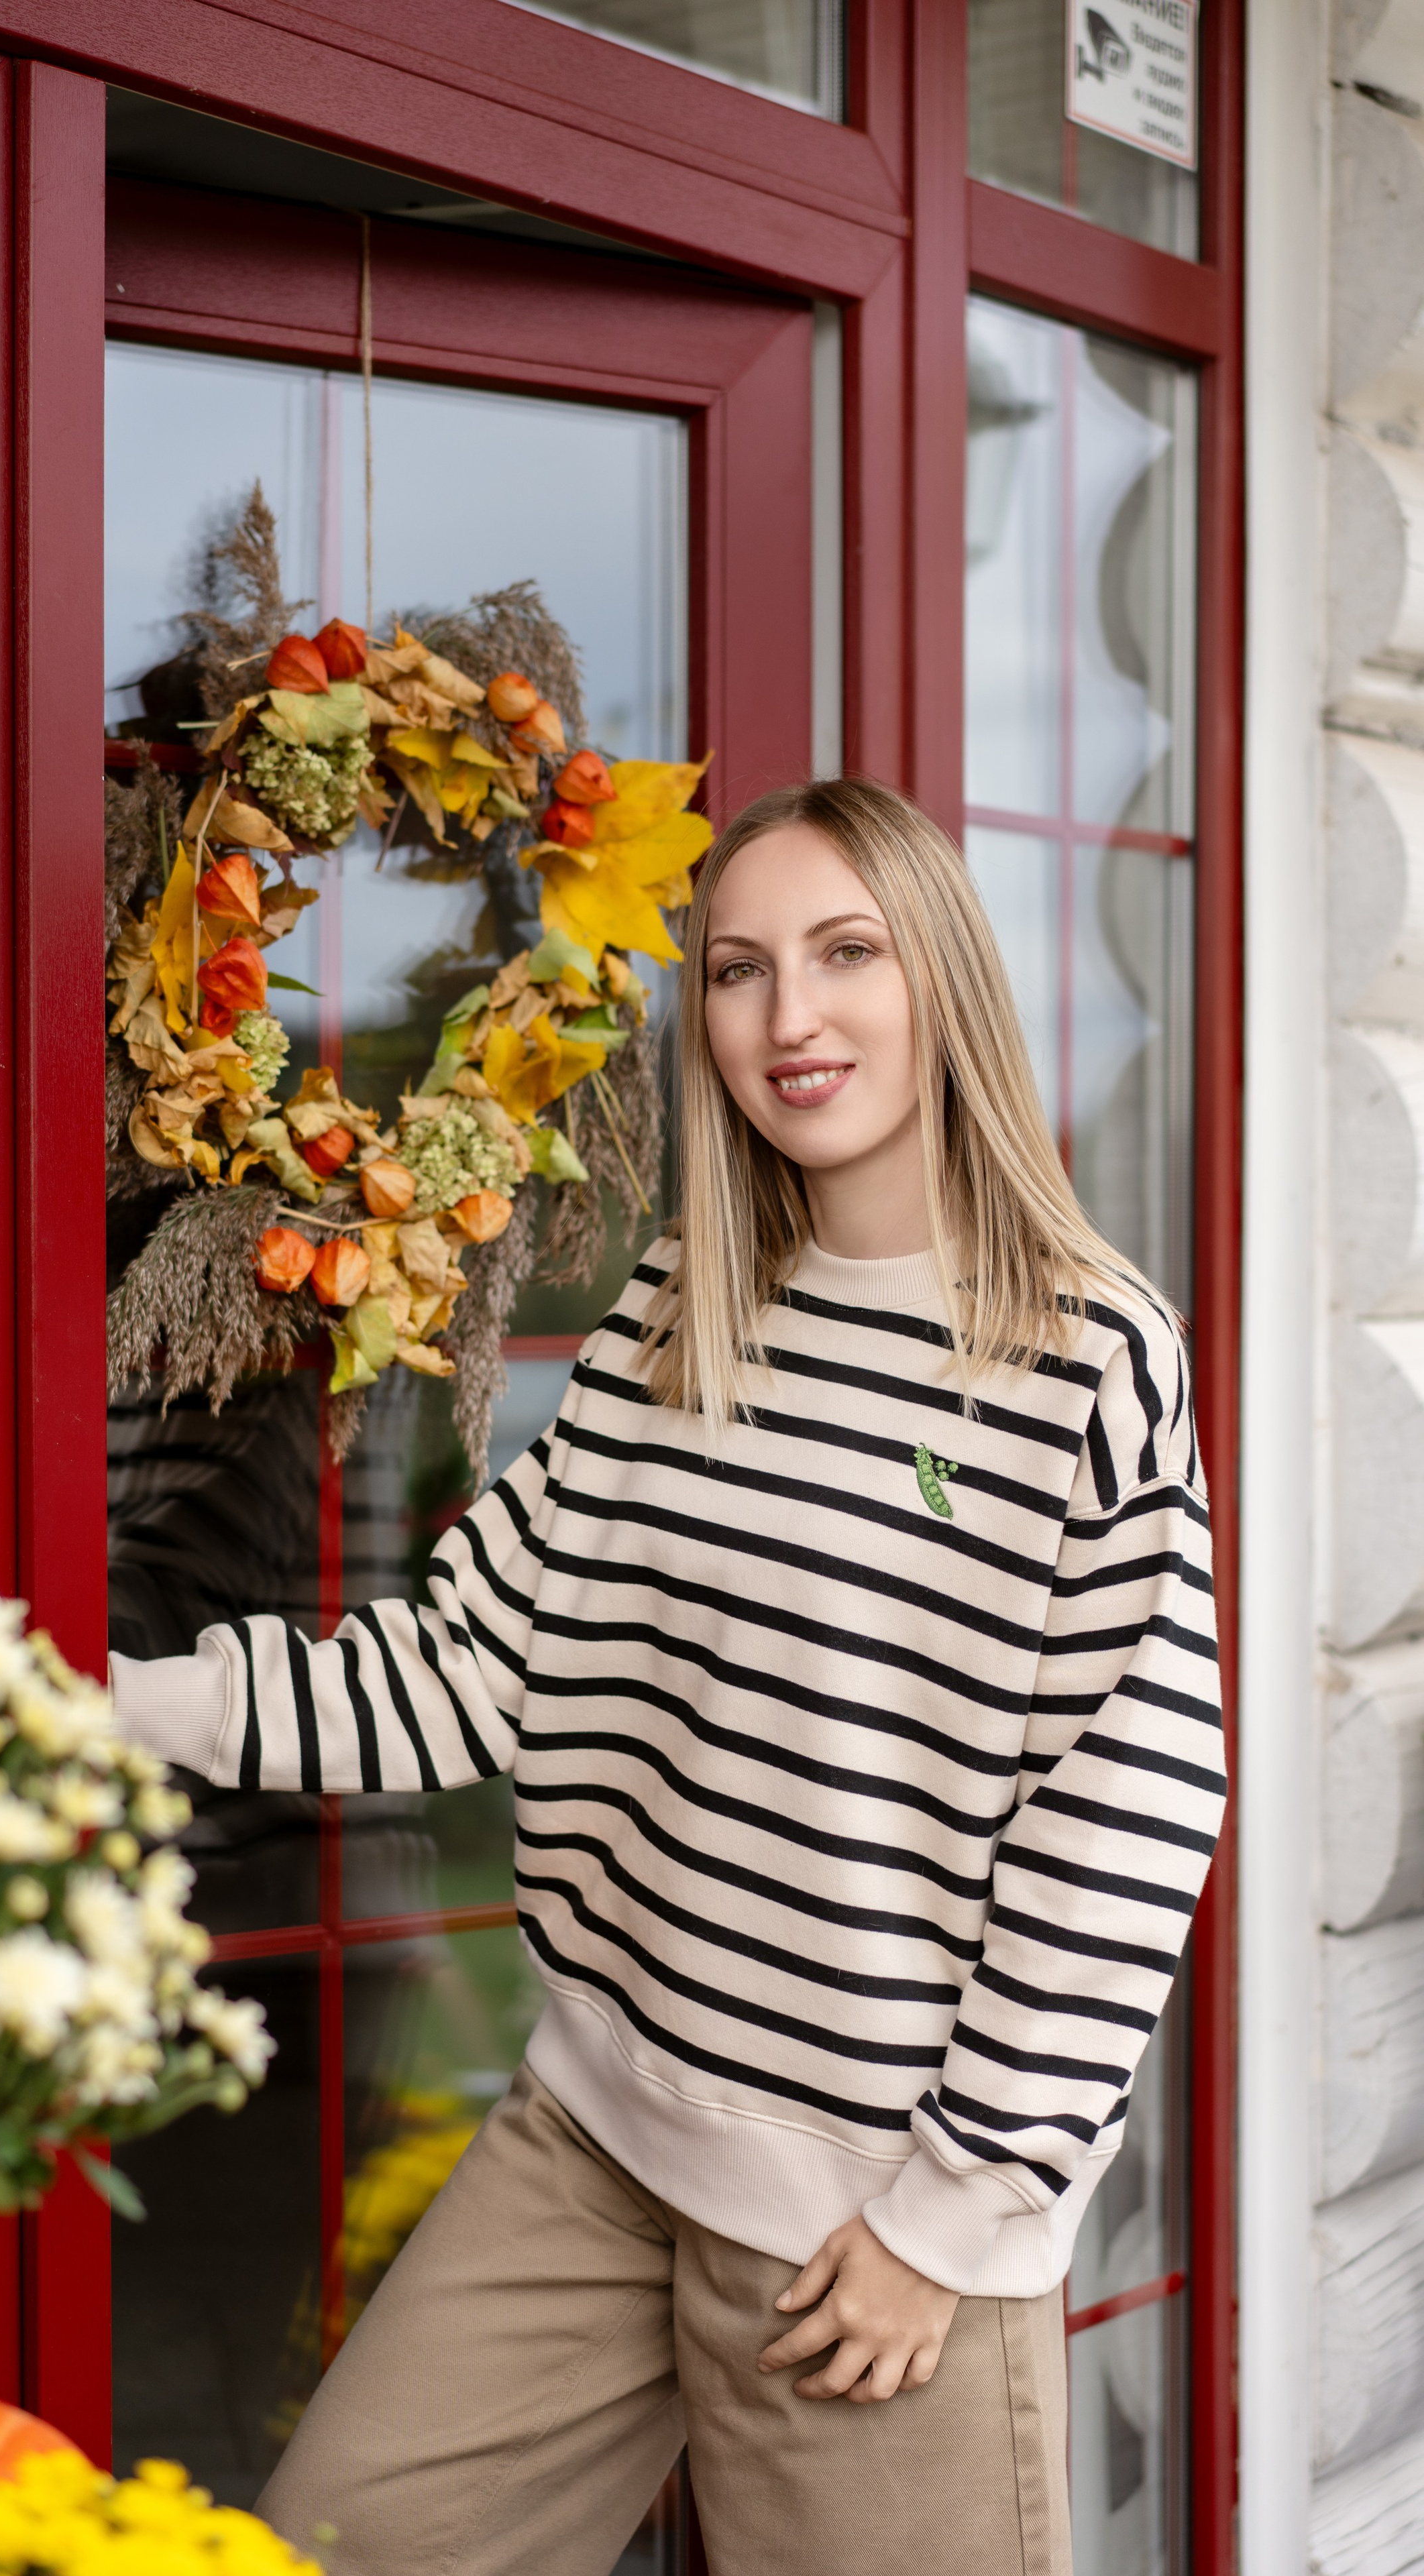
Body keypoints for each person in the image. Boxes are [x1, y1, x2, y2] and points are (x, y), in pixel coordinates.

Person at [110, 775, 1223, 2576]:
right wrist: (115, 1698)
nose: (791, 1017)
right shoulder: (673, 1314)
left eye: (846, 954)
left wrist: (954, 2210)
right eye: (737, 968)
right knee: (329, 2546)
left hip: (873, 2215)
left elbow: (1127, 1809)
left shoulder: (1080, 1354)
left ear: (943, 977)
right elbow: (477, 1667)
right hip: (603, 2132)